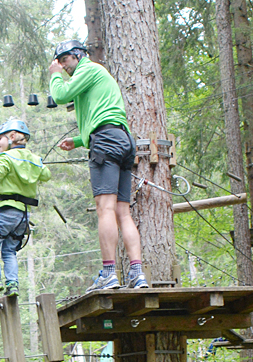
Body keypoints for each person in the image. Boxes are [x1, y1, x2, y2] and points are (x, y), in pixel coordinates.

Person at [48, 39, 148, 292]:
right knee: (122, 212)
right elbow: (103, 115)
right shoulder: (95, 75)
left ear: (78, 55)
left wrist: (55, 76)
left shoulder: (88, 69)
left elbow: (60, 95)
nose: (63, 66)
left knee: (105, 208)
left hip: (106, 141)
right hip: (122, 140)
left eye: (64, 60)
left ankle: (108, 273)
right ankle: (137, 274)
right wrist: (80, 140)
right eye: (59, 62)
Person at [0, 119, 52, 298]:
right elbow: (46, 175)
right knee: (9, 250)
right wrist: (33, 163)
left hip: (6, 210)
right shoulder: (34, 160)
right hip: (22, 215)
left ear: (11, 137)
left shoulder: (7, 157)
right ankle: (12, 285)